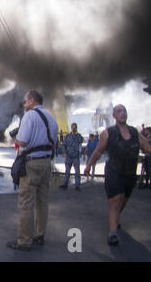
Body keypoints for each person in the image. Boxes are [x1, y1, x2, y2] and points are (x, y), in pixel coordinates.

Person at [84, 105, 151, 245]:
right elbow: (97, 151)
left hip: (130, 173)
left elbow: (146, 147)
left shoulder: (134, 132)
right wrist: (89, 165)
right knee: (116, 199)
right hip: (114, 172)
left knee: (123, 200)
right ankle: (113, 233)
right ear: (114, 115)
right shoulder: (108, 133)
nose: (123, 113)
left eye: (125, 111)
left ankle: (113, 218)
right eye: (119, 111)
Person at [6, 91, 58, 251]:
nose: (24, 105)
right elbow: (54, 143)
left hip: (31, 164)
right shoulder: (51, 117)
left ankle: (24, 241)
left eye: (25, 102)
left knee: (26, 203)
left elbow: (22, 141)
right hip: (46, 163)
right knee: (42, 201)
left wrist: (16, 137)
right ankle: (39, 235)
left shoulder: (29, 116)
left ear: (32, 101)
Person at [60, 123, 84, 191]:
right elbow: (64, 145)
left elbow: (81, 140)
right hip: (68, 156)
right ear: (71, 128)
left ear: (76, 128)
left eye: (75, 128)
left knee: (77, 172)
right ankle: (65, 184)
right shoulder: (67, 136)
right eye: (73, 127)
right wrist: (64, 152)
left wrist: (76, 134)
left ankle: (77, 185)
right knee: (67, 171)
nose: (73, 129)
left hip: (76, 156)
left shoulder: (78, 136)